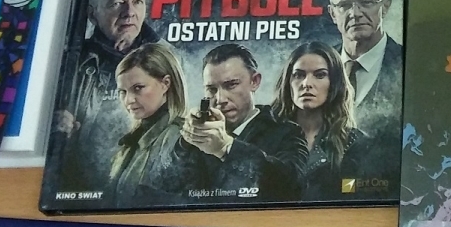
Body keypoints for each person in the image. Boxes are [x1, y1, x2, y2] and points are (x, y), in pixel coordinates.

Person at [48, 0, 160, 195]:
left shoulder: (169, 59)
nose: (129, 13)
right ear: (93, 15)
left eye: (138, 2)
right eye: (117, 3)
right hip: (81, 185)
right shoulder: (69, 61)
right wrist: (53, 123)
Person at [182, 43, 300, 200]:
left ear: (254, 81)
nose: (220, 99)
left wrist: (227, 147)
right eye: (211, 89)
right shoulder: (201, 136)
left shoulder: (287, 132)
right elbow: (167, 186)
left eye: (231, 85)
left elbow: (291, 186)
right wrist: (186, 140)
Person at [270, 40, 379, 201]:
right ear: (288, 82)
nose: (307, 84)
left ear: (334, 83)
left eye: (320, 75)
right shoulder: (265, 135)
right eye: (299, 75)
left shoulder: (355, 143)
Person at [107, 43, 213, 208]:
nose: (128, 100)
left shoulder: (184, 139)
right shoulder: (133, 141)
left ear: (165, 83)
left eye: (138, 88)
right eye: (123, 91)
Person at [324, 0, 403, 141]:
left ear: (385, 7)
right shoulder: (318, 64)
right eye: (344, 5)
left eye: (367, 3)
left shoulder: (410, 63)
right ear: (333, 14)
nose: (355, 13)